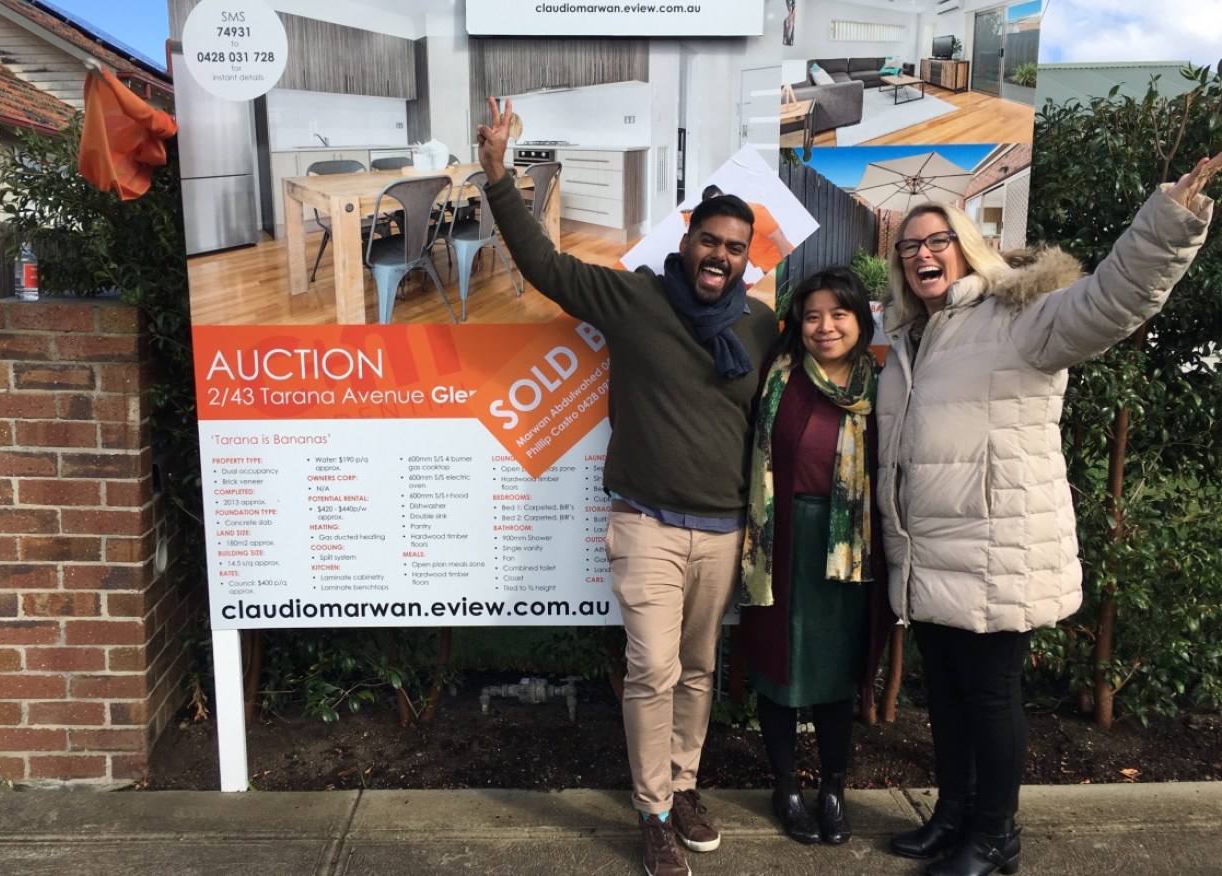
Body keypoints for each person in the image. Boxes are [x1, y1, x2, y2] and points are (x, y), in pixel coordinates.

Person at [877, 153, 1221, 876]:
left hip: (996, 548)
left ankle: (995, 834)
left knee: (991, 695)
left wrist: (1166, 223)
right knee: (942, 692)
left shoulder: (1018, 319)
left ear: (966, 248)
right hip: (930, 554)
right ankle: (951, 814)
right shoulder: (907, 342)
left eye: (936, 240)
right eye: (909, 247)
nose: (921, 255)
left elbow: (1107, 301)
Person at [477, 96, 780, 876]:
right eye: (709, 241)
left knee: (701, 668)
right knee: (652, 669)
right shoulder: (634, 296)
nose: (719, 256)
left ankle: (683, 785)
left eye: (734, 248)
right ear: (686, 239)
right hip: (644, 523)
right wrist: (496, 175)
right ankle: (650, 810)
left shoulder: (756, 327)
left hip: (722, 530)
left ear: (747, 257)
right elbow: (544, 267)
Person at [739, 267, 891, 847]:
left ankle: (832, 788)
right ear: (796, 324)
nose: (825, 327)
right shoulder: (778, 378)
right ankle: (786, 788)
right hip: (781, 542)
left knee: (835, 674)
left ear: (860, 320)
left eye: (838, 314)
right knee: (778, 671)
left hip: (851, 547)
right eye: (811, 316)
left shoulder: (882, 385)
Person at [684, 185, 795, 272]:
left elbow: (779, 237)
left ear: (725, 195)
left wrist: (790, 267)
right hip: (766, 267)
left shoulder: (753, 210)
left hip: (782, 264)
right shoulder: (727, 221)